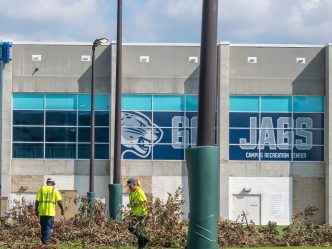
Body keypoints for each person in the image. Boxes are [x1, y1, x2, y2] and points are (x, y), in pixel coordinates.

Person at [35, 178, 64, 245]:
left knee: (43, 227)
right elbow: (59, 202)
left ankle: (43, 241)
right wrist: (62, 210)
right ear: (53, 183)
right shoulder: (54, 190)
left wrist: (36, 210)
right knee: (48, 227)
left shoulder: (41, 189)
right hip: (50, 213)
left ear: (47, 182)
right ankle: (46, 242)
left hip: (42, 212)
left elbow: (37, 201)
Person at [127, 178, 150, 249]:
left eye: (130, 186)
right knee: (131, 228)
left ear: (135, 184)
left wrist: (149, 213)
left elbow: (146, 202)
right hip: (134, 214)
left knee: (136, 230)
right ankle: (144, 240)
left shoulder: (139, 192)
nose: (129, 187)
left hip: (142, 214)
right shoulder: (131, 193)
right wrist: (130, 208)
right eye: (128, 186)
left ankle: (144, 241)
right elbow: (133, 203)